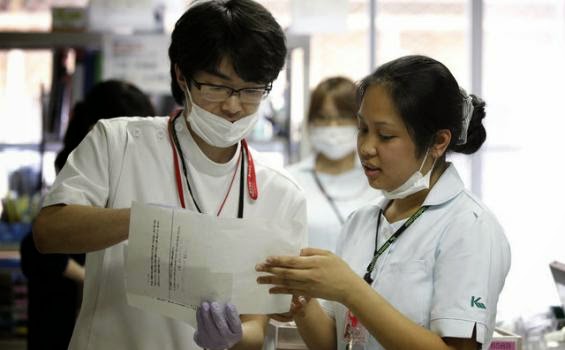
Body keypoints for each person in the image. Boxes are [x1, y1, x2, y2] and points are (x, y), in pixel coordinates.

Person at [32, 1, 306, 349]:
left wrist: (232, 338)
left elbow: (257, 326)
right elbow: (48, 233)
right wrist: (143, 222)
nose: (234, 106)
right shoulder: (119, 142)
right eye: (217, 87)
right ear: (181, 75)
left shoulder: (281, 194)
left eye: (251, 90)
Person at [256, 55, 511, 350]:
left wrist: (352, 291)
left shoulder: (469, 227)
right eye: (362, 129)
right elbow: (333, 342)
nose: (366, 148)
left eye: (386, 135)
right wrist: (303, 303)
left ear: (438, 142)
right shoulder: (363, 221)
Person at [20, 79, 155, 350]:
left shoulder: (138, 173)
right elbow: (38, 245)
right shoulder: (79, 167)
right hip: (62, 315)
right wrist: (87, 275)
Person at [287, 77, 379, 252]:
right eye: (323, 118)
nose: (333, 126)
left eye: (343, 117)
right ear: (311, 122)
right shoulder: (290, 180)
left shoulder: (378, 179)